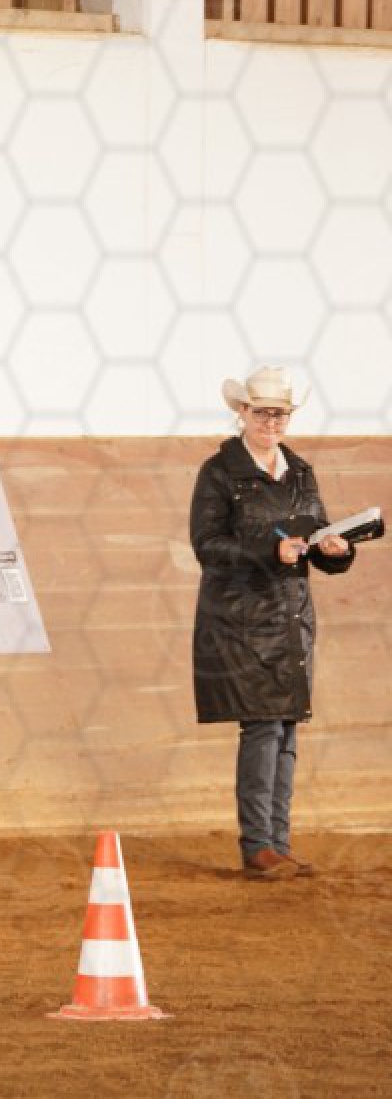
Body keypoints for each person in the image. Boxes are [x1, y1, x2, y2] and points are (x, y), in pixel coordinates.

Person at [189, 365, 354, 879]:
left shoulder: (299, 471)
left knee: (285, 729)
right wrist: (269, 550)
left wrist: (334, 549)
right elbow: (207, 545)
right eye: (262, 413)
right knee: (262, 726)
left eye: (280, 414)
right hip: (243, 620)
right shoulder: (219, 472)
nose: (272, 422)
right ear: (243, 412)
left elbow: (314, 534)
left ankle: (277, 843)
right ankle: (258, 844)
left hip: (291, 618)